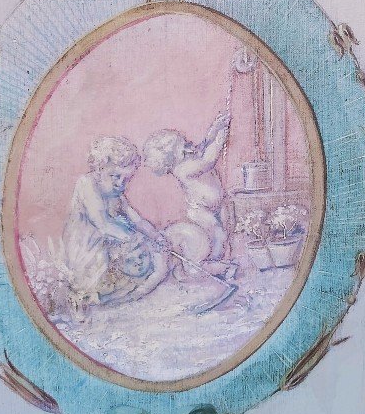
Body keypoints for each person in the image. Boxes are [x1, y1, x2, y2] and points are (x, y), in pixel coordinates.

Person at [53, 136, 170, 313]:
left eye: (126, 179)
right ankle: (90, 297)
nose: (121, 183)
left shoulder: (117, 194)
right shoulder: (87, 184)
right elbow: (103, 224)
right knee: (119, 263)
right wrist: (137, 239)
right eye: (115, 176)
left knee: (144, 263)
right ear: (99, 169)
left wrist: (156, 236)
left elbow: (137, 220)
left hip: (109, 246)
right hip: (86, 249)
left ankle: (116, 297)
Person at [142, 113, 239, 311]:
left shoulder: (189, 159)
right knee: (208, 250)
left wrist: (214, 130)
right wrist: (220, 139)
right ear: (173, 157)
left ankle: (220, 268)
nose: (189, 146)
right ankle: (220, 268)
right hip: (201, 212)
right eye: (184, 146)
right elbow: (208, 160)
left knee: (221, 239)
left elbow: (203, 148)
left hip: (216, 207)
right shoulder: (183, 169)